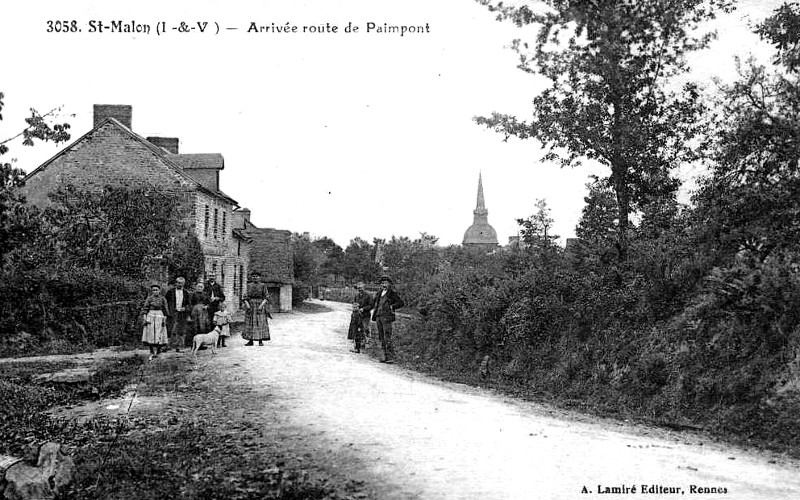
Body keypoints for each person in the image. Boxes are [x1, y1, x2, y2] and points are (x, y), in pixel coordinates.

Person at [371, 276, 405, 363]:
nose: (383, 285)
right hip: (379, 317)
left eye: (385, 283)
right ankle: (383, 356)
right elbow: (374, 303)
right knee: (381, 337)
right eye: (382, 283)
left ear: (389, 284)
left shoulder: (392, 293)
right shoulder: (379, 293)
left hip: (387, 318)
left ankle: (390, 357)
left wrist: (392, 306)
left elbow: (401, 303)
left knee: (387, 337)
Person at [242, 271, 272, 346]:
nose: (255, 277)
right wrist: (247, 305)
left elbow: (266, 297)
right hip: (250, 305)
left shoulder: (263, 285)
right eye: (253, 276)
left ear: (259, 277)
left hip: (260, 305)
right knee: (250, 322)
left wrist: (261, 306)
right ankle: (250, 340)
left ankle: (260, 340)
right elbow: (244, 297)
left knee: (260, 322)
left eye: (257, 276)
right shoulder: (248, 285)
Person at [140, 284, 169, 360]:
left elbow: (165, 310)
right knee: (150, 334)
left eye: (156, 290)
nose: (155, 291)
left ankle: (159, 351)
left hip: (160, 315)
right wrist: (145, 318)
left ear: (159, 291)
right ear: (152, 291)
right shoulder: (149, 299)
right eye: (153, 290)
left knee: (160, 333)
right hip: (151, 316)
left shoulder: (163, 299)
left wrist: (164, 319)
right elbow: (145, 309)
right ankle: (151, 351)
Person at [165, 277, 193, 353]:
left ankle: (179, 347)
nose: (179, 284)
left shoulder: (186, 293)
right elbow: (165, 302)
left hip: (182, 314)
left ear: (184, 284)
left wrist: (185, 308)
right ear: (175, 283)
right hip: (172, 313)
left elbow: (189, 304)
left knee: (181, 330)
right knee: (170, 329)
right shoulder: (170, 292)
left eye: (180, 283)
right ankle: (167, 346)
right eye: (177, 282)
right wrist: (167, 312)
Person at [347, 283, 373, 353]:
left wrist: (363, 309)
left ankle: (366, 343)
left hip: (365, 315)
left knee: (365, 328)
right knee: (357, 330)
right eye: (358, 288)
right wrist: (355, 308)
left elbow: (371, 305)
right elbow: (354, 303)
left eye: (361, 288)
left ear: (364, 288)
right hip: (358, 316)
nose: (359, 289)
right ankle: (358, 345)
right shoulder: (356, 295)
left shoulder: (368, 295)